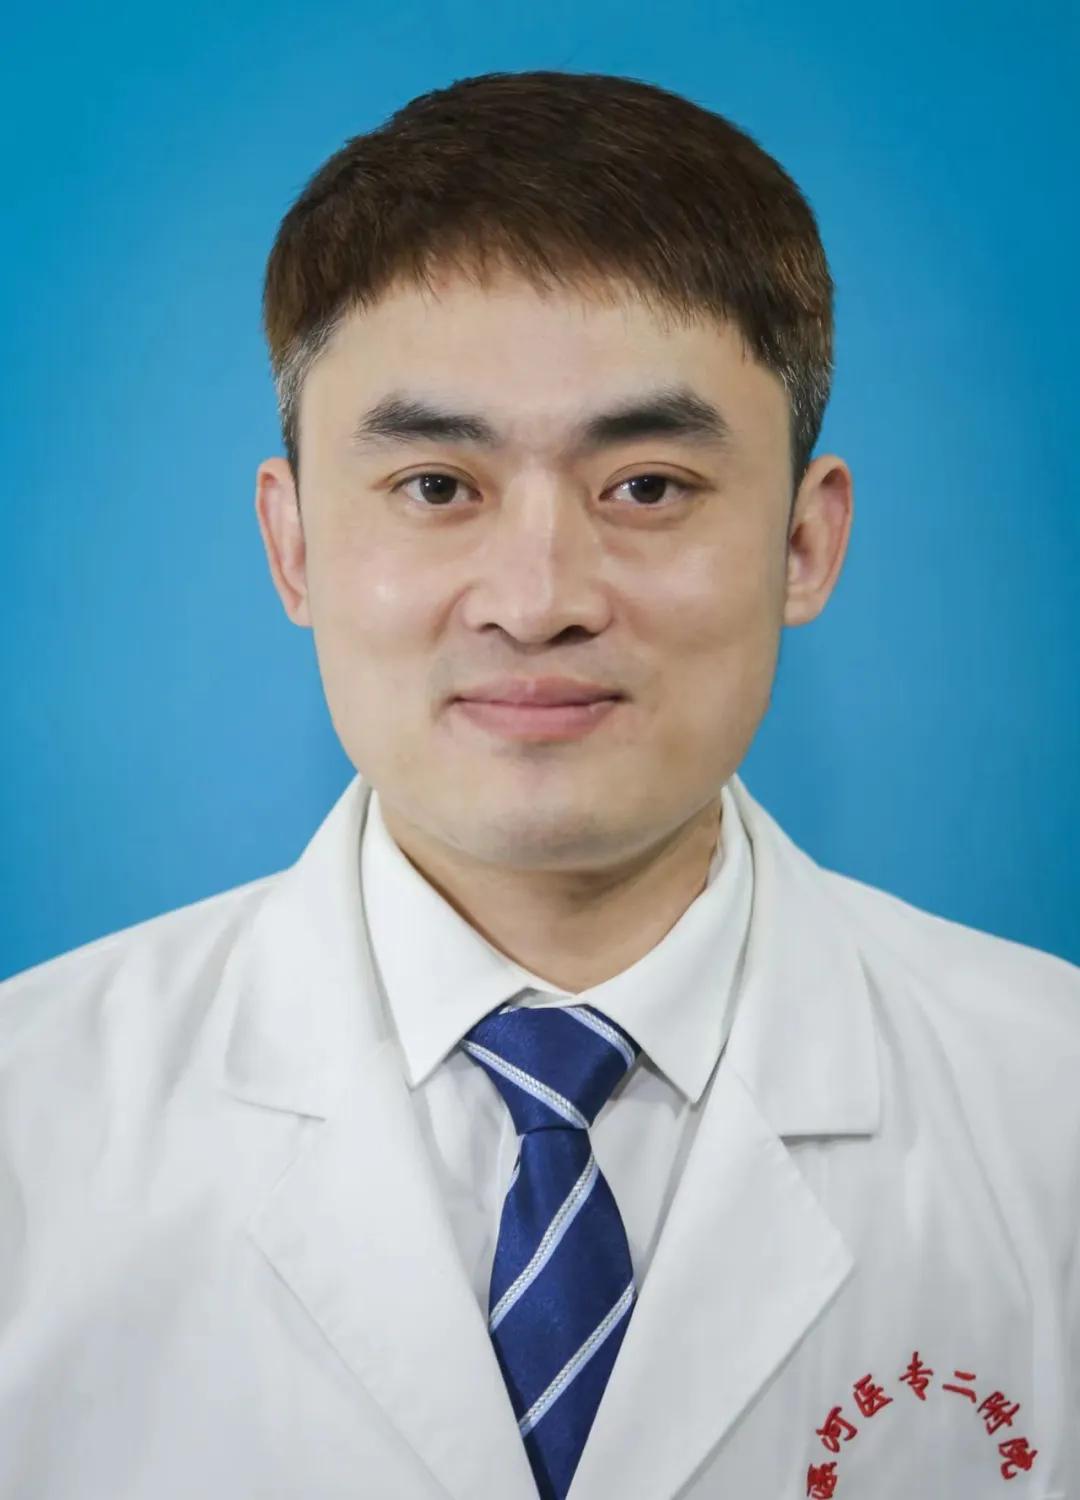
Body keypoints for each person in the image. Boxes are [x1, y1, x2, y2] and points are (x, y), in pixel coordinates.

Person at [1, 69, 1076, 1500]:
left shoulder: (1052, 1109)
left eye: (647, 486)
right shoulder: (28, 1131)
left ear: (804, 544)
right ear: (294, 543)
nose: (537, 598)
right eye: (437, 486)